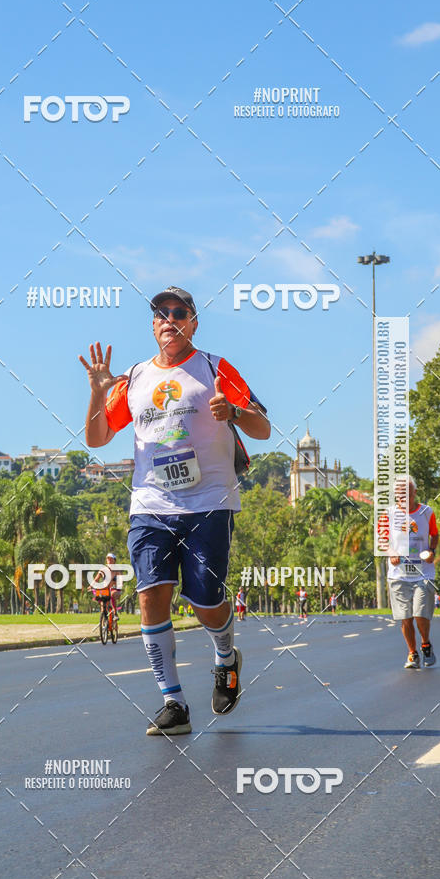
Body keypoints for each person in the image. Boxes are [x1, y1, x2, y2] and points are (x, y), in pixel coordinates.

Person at [80, 286, 270, 736]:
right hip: (150, 504)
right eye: (161, 313)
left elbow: (263, 427)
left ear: (193, 323)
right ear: (152, 326)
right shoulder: (136, 377)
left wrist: (234, 412)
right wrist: (97, 393)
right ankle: (174, 703)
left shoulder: (215, 368)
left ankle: (226, 655)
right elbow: (97, 438)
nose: (170, 319)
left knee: (205, 601)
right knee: (151, 594)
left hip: (209, 503)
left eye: (179, 312)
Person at [387, 476, 439, 669]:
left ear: (414, 493)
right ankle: (412, 653)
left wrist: (431, 551)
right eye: (399, 493)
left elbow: (434, 535)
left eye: (406, 493)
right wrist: (391, 552)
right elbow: (383, 540)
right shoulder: (388, 514)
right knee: (406, 617)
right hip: (398, 574)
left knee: (420, 614)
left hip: (423, 573)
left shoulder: (427, 512)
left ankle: (425, 644)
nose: (403, 497)